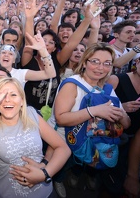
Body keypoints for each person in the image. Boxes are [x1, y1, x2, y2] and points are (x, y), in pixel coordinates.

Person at [54, 43, 131, 189]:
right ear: (84, 63)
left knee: (88, 163)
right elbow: (61, 118)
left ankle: (85, 174)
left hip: (94, 141)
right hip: (66, 141)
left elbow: (126, 124)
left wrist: (120, 114)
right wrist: (94, 110)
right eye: (95, 61)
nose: (101, 68)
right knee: (64, 166)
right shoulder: (71, 84)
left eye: (107, 63)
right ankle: (59, 179)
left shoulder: (107, 88)